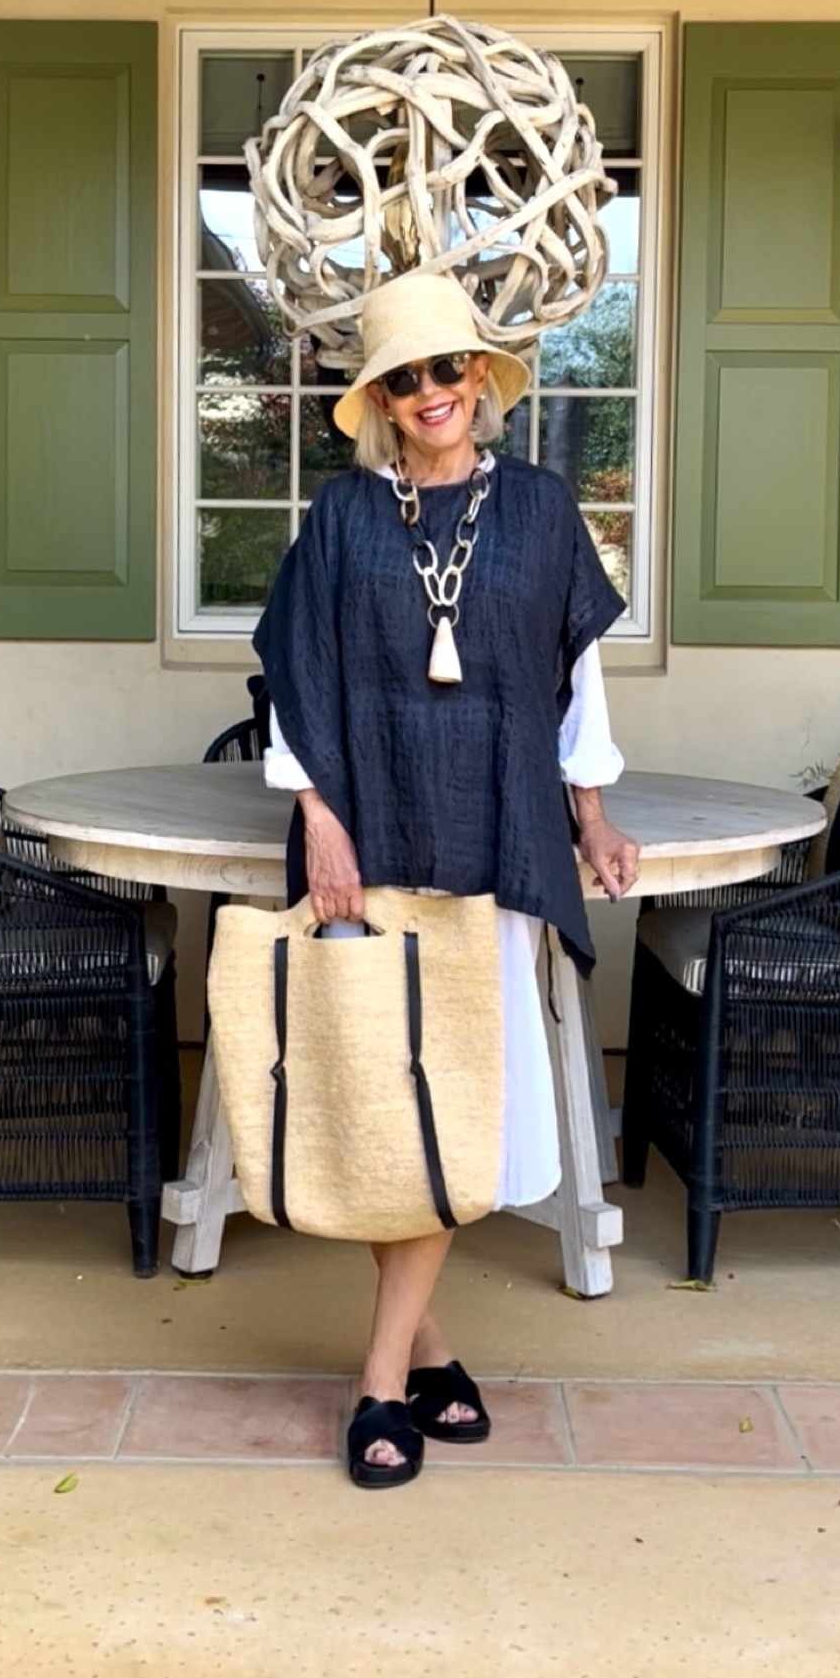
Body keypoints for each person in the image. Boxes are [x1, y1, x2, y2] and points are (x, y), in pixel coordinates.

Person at [254, 270, 639, 1489]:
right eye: (404, 375)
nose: (431, 391)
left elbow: (573, 678)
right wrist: (317, 817)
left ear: (483, 378)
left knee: (458, 1103)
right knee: (391, 1097)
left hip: (501, 835)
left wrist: (592, 808)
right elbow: (293, 679)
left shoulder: (537, 506)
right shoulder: (341, 519)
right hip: (369, 837)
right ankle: (413, 1362)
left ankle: (388, 1372)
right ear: (378, 397)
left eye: (448, 368)